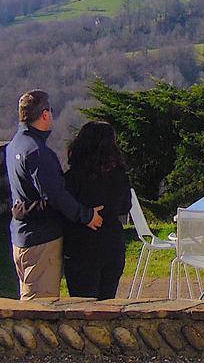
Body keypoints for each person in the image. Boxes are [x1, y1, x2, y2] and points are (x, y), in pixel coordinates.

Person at [5, 90, 103, 300]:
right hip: (42, 240)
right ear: (44, 114)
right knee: (41, 307)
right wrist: (85, 215)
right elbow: (56, 195)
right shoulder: (38, 152)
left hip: (22, 236)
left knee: (29, 297)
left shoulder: (15, 145)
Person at [62, 121, 132, 299]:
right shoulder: (120, 175)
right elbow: (125, 207)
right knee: (107, 303)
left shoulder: (72, 178)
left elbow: (63, 209)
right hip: (112, 244)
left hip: (82, 247)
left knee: (82, 306)